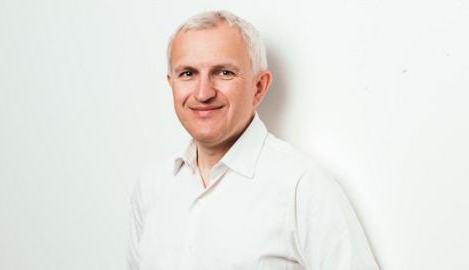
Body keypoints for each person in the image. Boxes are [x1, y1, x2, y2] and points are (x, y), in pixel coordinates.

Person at [127, 10, 380, 270]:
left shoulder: (302, 186)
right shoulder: (151, 189)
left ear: (258, 87)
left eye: (223, 73)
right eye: (188, 74)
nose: (203, 93)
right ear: (172, 84)